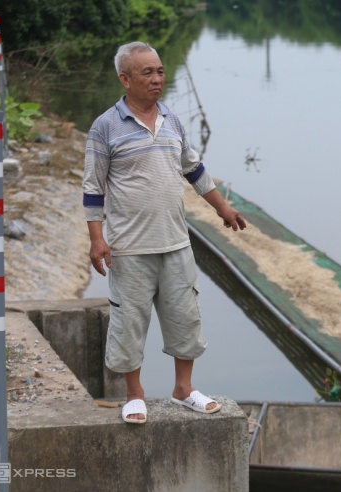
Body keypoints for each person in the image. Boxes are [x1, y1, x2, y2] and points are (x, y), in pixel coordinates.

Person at [82, 41, 246, 424]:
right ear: (125, 79)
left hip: (175, 241)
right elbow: (93, 187)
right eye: (147, 73)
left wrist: (222, 208)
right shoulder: (105, 126)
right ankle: (134, 394)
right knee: (129, 321)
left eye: (159, 71)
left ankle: (183, 389)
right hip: (129, 246)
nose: (157, 79)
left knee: (185, 317)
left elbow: (194, 169)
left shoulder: (172, 119)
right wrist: (96, 239)